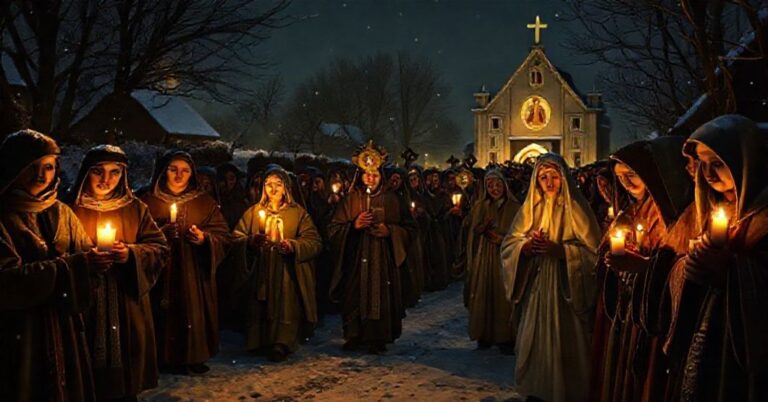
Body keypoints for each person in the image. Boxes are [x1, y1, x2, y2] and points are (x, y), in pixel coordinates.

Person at [0, 129, 110, 401]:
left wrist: (98, 262)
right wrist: (74, 267)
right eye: (31, 167)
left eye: (48, 167)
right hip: (20, 332)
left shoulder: (62, 212)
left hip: (64, 326)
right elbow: (6, 281)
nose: (41, 175)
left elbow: (84, 256)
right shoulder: (4, 215)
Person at [668, 115, 768, 401]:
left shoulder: (763, 216)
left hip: (745, 350)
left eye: (718, 163)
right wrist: (688, 266)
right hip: (707, 333)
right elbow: (680, 263)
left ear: (744, 161)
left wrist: (732, 272)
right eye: (703, 164)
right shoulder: (708, 212)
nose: (709, 174)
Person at [593, 137, 694, 402]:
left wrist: (645, 265)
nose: (626, 181)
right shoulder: (632, 210)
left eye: (632, 174)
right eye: (620, 177)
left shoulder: (670, 215)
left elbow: (676, 263)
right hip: (627, 313)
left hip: (650, 319)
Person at [68, 144, 169, 401]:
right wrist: (84, 261)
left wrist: (131, 254)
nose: (106, 179)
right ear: (85, 172)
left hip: (125, 300)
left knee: (126, 364)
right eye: (98, 171)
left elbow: (159, 247)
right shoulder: (68, 208)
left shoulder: (135, 208)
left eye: (115, 172)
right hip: (84, 301)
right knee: (83, 369)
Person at [501, 153, 601, 402]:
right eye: (543, 177)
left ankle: (568, 388)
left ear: (564, 178)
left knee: (566, 337)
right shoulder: (531, 208)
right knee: (534, 335)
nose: (549, 182)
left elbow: (593, 253)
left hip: (565, 287)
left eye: (554, 177)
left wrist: (562, 252)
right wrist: (525, 248)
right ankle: (538, 386)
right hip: (536, 283)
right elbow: (509, 244)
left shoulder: (576, 208)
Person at [141, 150, 230, 374]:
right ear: (163, 172)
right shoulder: (147, 201)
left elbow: (223, 235)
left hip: (193, 272)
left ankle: (191, 355)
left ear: (192, 174)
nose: (179, 175)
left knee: (191, 311)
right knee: (158, 312)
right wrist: (160, 233)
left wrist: (204, 239)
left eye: (185, 171)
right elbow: (134, 234)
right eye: (173, 170)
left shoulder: (204, 202)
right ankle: (159, 356)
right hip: (158, 272)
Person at [328, 143, 414, 354]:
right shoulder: (351, 199)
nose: (370, 179)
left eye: (374, 174)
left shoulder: (393, 199)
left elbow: (410, 228)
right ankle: (354, 334)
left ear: (381, 175)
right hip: (356, 256)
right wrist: (354, 226)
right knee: (354, 293)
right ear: (360, 175)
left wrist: (390, 231)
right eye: (366, 174)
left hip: (383, 257)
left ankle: (379, 336)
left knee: (381, 293)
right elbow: (333, 228)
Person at [233, 166, 322, 362]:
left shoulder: (298, 213)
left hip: (285, 271)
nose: (273, 190)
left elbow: (314, 241)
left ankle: (282, 342)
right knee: (259, 304)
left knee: (285, 305)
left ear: (286, 188)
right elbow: (236, 237)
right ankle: (258, 340)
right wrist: (250, 242)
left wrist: (293, 246)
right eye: (268, 185)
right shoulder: (253, 212)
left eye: (278, 185)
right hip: (261, 268)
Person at [465, 169, 520, 353]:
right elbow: (471, 230)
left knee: (503, 296)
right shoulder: (481, 206)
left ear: (504, 185)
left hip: (505, 258)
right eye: (490, 185)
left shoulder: (514, 207)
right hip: (484, 257)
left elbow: (519, 233)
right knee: (483, 293)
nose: (494, 189)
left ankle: (505, 337)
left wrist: (502, 238)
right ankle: (484, 335)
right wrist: (480, 229)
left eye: (497, 185)